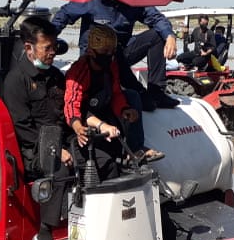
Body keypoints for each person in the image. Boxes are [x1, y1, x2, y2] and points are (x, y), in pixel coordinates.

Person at [51, 0, 180, 111]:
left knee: (157, 35)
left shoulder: (135, 1)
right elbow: (63, 15)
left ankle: (156, 92)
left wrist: (170, 37)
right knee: (140, 99)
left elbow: (157, 18)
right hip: (95, 57)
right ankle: (135, 91)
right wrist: (48, 39)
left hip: (122, 54)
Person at [1, 16, 74, 240]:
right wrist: (56, 150)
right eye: (47, 48)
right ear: (29, 47)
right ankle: (44, 233)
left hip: (60, 141)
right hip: (32, 150)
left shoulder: (56, 76)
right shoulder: (16, 81)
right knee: (61, 169)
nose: (53, 53)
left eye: (55, 47)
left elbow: (65, 113)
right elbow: (23, 128)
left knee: (97, 156)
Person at [65, 24, 164, 183]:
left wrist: (124, 109)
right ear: (91, 51)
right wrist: (77, 126)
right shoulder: (78, 71)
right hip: (85, 116)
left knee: (132, 96)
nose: (109, 56)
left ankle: (135, 149)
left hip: (105, 108)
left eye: (112, 52)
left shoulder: (111, 66)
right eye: (104, 52)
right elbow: (71, 104)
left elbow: (116, 92)